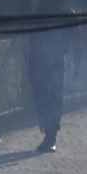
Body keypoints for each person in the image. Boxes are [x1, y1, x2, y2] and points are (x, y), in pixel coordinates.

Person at [25, 24, 69, 153]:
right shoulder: (41, 13)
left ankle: (51, 135)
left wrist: (77, 65)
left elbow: (74, 40)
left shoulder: (68, 15)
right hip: (40, 65)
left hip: (56, 65)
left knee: (54, 99)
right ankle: (47, 131)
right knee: (41, 98)